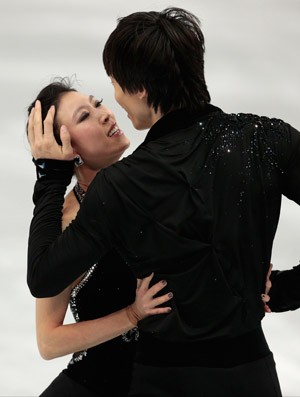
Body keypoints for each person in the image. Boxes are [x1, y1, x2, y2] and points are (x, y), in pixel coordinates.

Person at [26, 7, 300, 397]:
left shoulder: (122, 184)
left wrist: (49, 178)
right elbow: (48, 331)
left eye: (113, 88)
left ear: (138, 89)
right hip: (250, 375)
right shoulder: (268, 140)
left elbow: (42, 277)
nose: (113, 104)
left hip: (162, 379)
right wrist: (288, 289)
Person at [26, 77, 173, 397]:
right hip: (99, 385)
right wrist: (131, 315)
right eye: (84, 116)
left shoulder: (151, 180)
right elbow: (48, 342)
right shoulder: (66, 223)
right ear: (68, 150)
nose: (105, 113)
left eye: (96, 103)